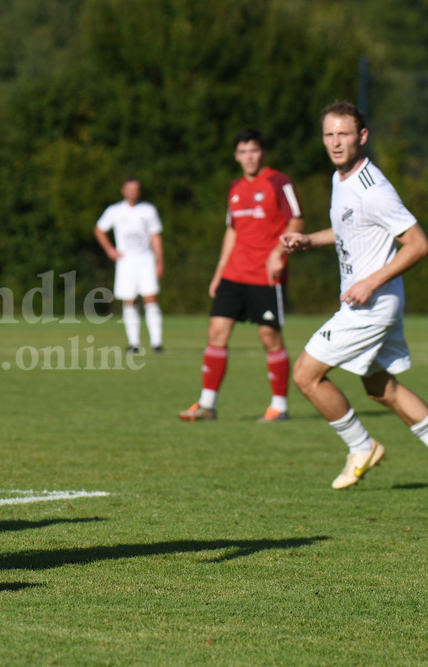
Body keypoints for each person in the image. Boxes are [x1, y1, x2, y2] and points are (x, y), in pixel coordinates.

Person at [282, 101, 428, 489]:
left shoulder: (374, 189)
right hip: (376, 302)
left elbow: (417, 244)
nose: (335, 142)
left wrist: (371, 282)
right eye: (329, 134)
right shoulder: (340, 178)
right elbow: (351, 230)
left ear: (361, 137)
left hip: (371, 305)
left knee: (306, 375)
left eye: (343, 134)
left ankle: (361, 447)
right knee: (383, 388)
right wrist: (309, 239)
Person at [179, 129, 304, 422]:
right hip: (234, 274)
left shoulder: (279, 182)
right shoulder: (235, 188)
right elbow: (232, 231)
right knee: (216, 333)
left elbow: (297, 220)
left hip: (266, 276)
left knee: (268, 336)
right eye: (243, 151)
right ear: (236, 156)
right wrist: (218, 272)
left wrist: (278, 254)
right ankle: (207, 405)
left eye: (254, 150)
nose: (249, 157)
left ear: (263, 153)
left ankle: (279, 406)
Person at [94, 176, 164, 354]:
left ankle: (156, 342)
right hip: (126, 262)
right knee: (129, 300)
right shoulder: (115, 210)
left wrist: (159, 260)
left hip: (146, 260)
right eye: (130, 188)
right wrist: (110, 250)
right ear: (123, 190)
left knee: (150, 299)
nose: (133, 192)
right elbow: (99, 229)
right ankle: (134, 343)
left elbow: (155, 236)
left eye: (136, 188)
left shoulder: (148, 210)